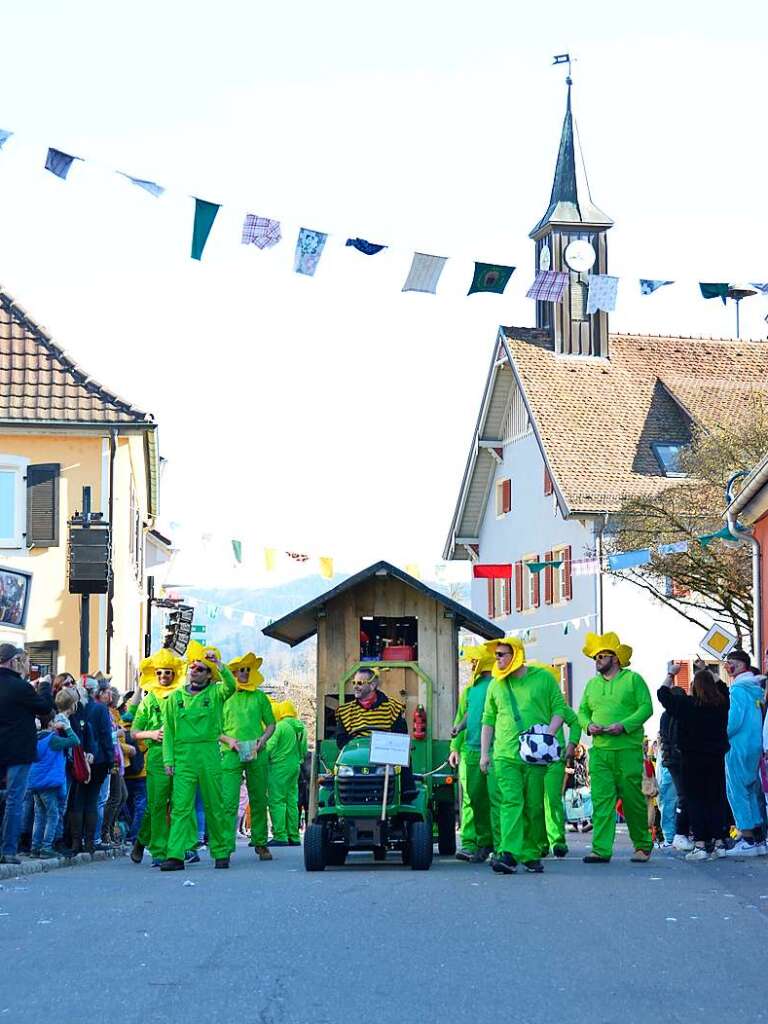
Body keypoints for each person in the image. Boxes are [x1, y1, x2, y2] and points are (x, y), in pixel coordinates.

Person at [479, 637, 567, 875]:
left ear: (516, 654)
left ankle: (529, 853)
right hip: (505, 755)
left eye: (501, 654)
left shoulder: (543, 679)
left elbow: (560, 708)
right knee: (511, 802)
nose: (497, 658)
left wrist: (548, 735)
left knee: (534, 805)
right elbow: (488, 720)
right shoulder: (496, 685)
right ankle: (508, 853)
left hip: (535, 755)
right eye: (496, 654)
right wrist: (484, 754)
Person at [578, 632, 653, 864]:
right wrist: (588, 726)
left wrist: (624, 726)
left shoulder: (633, 680)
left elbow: (646, 708)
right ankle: (600, 849)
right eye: (596, 657)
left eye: (603, 656)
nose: (598, 660)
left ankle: (642, 845)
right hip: (600, 751)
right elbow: (581, 712)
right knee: (601, 801)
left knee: (632, 801)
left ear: (616, 658)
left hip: (627, 750)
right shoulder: (592, 685)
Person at [160, 643, 236, 871]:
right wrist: (168, 759)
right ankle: (176, 855)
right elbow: (169, 732)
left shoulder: (216, 692)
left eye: (201, 669)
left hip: (208, 754)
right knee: (181, 807)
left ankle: (221, 852)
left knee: (215, 804)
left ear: (209, 675)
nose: (195, 670)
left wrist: (218, 664)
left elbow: (231, 686)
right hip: (183, 757)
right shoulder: (174, 699)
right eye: (193, 667)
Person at [657, 668, 731, 859]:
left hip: (692, 758)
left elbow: (663, 694)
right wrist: (709, 671)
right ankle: (719, 842)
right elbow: (724, 688)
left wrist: (671, 674)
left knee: (696, 800)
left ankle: (700, 844)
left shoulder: (686, 705)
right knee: (716, 798)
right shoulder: (721, 704)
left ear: (694, 687)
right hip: (716, 758)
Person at [126, 647, 186, 865]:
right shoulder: (148, 701)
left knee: (179, 804)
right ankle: (158, 851)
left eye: (168, 672)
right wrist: (151, 733)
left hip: (181, 755)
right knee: (157, 804)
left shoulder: (182, 698)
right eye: (160, 673)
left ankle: (177, 846)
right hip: (158, 757)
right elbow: (133, 732)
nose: (163, 677)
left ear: (174, 674)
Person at [0, 643, 53, 864]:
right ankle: (8, 850)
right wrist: (44, 687)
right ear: (14, 661)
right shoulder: (21, 687)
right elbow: (44, 708)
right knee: (14, 800)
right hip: (17, 752)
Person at [221, 652, 276, 861]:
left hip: (257, 751)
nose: (244, 673)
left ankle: (260, 842)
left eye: (247, 670)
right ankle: (225, 847)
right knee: (228, 801)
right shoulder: (224, 695)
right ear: (233, 673)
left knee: (259, 798)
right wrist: (228, 740)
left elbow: (271, 724)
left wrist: (263, 740)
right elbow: (213, 727)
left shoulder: (260, 697)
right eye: (240, 670)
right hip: (230, 753)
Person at [449, 645, 500, 863]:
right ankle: (486, 843)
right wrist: (457, 737)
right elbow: (468, 713)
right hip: (474, 750)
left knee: (491, 801)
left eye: (474, 661)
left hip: (493, 750)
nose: (471, 665)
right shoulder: (473, 689)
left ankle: (497, 845)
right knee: (479, 801)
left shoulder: (497, 685)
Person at [27, 690, 80, 859]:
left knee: (39, 815)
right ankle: (46, 846)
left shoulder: (34, 738)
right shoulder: (53, 739)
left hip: (35, 782)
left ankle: (35, 847)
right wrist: (67, 728)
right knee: (53, 815)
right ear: (51, 723)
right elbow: (75, 741)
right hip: (50, 783)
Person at [723, 649, 766, 856]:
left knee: (737, 791)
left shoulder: (738, 691)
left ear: (740, 665)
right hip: (754, 744)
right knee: (750, 789)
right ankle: (757, 838)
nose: (727, 667)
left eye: (730, 663)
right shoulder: (755, 690)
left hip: (738, 745)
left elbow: (733, 721)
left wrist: (720, 735)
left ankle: (747, 838)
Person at [536, 663, 581, 859]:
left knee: (552, 799)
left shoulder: (560, 706)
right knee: (534, 801)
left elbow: (576, 723)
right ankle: (540, 843)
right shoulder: (529, 705)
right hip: (533, 759)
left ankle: (557, 841)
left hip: (555, 758)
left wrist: (571, 745)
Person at [68, 674, 116, 854]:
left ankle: (75, 841)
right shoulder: (100, 709)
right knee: (92, 799)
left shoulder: (75, 709)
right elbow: (105, 736)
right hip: (99, 760)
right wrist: (110, 759)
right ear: (95, 691)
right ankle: (88, 842)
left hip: (79, 759)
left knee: (78, 800)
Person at [658, 670, 691, 851]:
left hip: (669, 761)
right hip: (678, 760)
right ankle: (676, 835)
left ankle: (671, 837)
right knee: (681, 798)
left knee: (671, 800)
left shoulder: (665, 716)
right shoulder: (679, 715)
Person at [267, 700, 308, 847]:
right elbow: (303, 750)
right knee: (292, 801)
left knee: (277, 800)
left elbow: (269, 747)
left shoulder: (280, 727)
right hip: (295, 766)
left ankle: (280, 835)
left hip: (279, 767)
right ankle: (294, 836)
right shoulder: (301, 728)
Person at [334, 667, 407, 746]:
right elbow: (341, 742)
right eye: (354, 682)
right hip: (357, 754)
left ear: (372, 685)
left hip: (384, 754)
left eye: (359, 683)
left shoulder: (393, 708)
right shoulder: (345, 711)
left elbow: (400, 740)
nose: (355, 686)